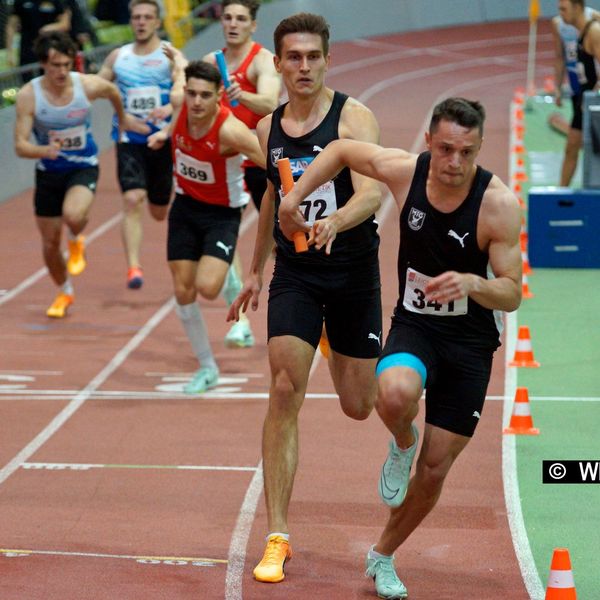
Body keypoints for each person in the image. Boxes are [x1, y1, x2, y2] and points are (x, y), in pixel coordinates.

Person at [277, 97, 522, 598]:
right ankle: (401, 442)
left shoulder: (497, 204)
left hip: (472, 343)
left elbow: (513, 292)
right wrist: (292, 198)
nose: (455, 163)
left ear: (479, 149)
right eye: (447, 149)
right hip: (416, 325)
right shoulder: (405, 172)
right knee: (391, 394)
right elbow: (342, 148)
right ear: (429, 142)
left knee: (434, 471)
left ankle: (383, 554)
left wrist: (474, 285)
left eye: (467, 153)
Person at [227, 13, 383, 583]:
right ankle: (277, 537)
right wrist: (253, 269)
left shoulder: (353, 117)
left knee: (358, 404)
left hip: (351, 272)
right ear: (277, 63)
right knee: (285, 385)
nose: (304, 67)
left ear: (327, 59)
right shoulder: (269, 129)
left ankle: (400, 432)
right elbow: (276, 196)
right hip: (295, 273)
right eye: (293, 57)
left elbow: (373, 194)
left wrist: (337, 221)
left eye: (313, 56)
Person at [147, 60, 265, 394]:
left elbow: (267, 158)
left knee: (208, 288)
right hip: (184, 208)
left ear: (218, 98)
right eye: (192, 94)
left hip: (222, 214)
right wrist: (164, 134)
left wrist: (295, 188)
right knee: (183, 291)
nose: (197, 102)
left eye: (205, 96)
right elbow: (181, 73)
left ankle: (226, 270)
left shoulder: (230, 130)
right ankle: (207, 367)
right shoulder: (180, 107)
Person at [13, 32, 130, 318]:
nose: (62, 71)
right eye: (56, 65)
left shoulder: (85, 85)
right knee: (50, 244)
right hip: (49, 172)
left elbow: (113, 92)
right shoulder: (30, 95)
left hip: (82, 165)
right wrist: (44, 152)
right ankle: (65, 290)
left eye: (67, 64)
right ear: (43, 65)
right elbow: (20, 145)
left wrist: (122, 120)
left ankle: (77, 239)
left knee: (74, 215)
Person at [203, 0, 281, 349]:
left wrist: (241, 96)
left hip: (257, 161)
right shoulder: (209, 63)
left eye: (241, 19)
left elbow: (271, 103)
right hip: (223, 164)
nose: (233, 24)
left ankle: (311, 306)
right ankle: (241, 322)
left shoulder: (262, 60)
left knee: (280, 243)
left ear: (252, 25)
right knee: (225, 242)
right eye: (228, 18)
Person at [97, 0, 184, 289]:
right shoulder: (118, 57)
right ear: (131, 21)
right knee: (132, 199)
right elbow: (97, 86)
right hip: (128, 140)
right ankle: (133, 267)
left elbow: (184, 91)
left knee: (159, 211)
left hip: (161, 140)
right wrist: (120, 112)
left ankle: (159, 199)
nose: (141, 22)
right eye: (136, 17)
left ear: (157, 22)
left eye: (147, 17)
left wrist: (169, 110)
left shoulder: (169, 56)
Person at [551, 0, 600, 186]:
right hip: (581, 97)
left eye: (564, 9)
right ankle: (560, 193)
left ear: (578, 8)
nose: (560, 14)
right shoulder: (576, 31)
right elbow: (560, 57)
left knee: (591, 151)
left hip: (592, 102)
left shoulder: (594, 30)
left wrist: (594, 97)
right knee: (572, 146)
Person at [5, 0, 70, 77]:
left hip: (52, 51)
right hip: (28, 52)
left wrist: (50, 28)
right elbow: (11, 26)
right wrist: (10, 53)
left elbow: (65, 24)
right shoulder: (20, 2)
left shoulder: (55, 2)